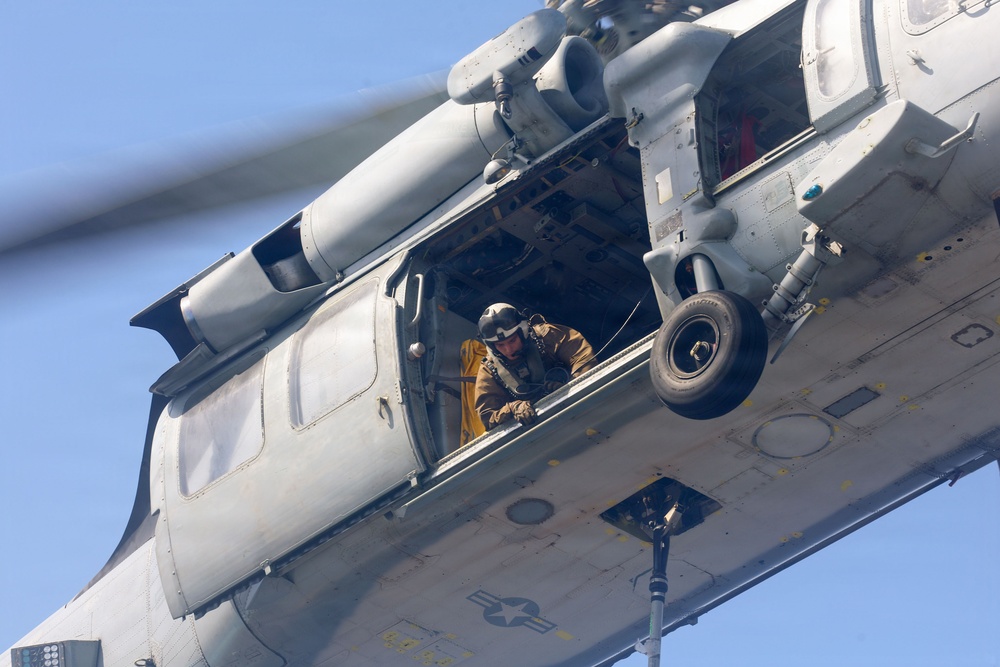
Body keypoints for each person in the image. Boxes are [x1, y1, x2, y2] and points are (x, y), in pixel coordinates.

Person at [474, 303, 596, 430]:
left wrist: (569, 387)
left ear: (523, 332)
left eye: (512, 341)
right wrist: (511, 408)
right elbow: (488, 417)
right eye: (500, 345)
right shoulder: (489, 370)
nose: (508, 349)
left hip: (580, 409)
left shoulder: (547, 336)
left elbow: (584, 360)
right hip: (537, 429)